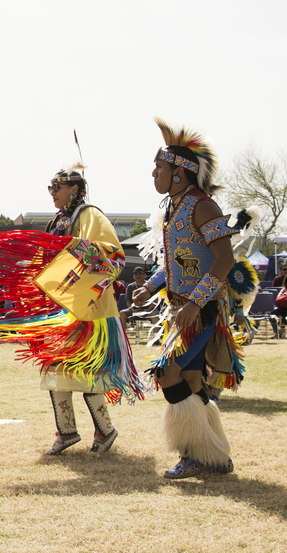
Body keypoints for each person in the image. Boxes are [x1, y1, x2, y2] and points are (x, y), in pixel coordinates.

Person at [0, 161, 147, 455]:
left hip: (90, 312)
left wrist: (75, 248)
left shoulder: (89, 214)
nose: (52, 193)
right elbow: (44, 264)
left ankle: (106, 430)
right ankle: (66, 432)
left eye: (57, 187)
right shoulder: (56, 221)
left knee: (88, 373)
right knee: (54, 370)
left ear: (74, 189)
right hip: (61, 311)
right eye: (50, 188)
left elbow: (111, 254)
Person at [132, 118, 240, 479]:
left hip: (202, 311)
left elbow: (225, 260)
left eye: (159, 167)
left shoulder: (203, 207)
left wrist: (195, 303)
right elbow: (176, 261)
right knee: (192, 382)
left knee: (167, 373)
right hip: (184, 309)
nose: (153, 173)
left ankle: (196, 454)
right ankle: (213, 457)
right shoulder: (173, 210)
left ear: (180, 172)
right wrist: (152, 284)